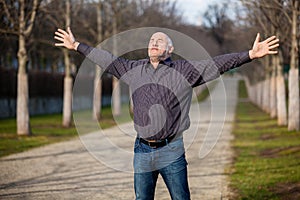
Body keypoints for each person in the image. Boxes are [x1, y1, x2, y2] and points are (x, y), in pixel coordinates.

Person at [54, 27, 279, 200]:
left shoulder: (184, 71)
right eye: (152, 40)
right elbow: (107, 59)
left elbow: (217, 64)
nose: (154, 43)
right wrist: (76, 46)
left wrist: (249, 54)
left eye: (159, 41)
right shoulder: (133, 70)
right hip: (142, 149)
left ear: (169, 49)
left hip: (172, 150)